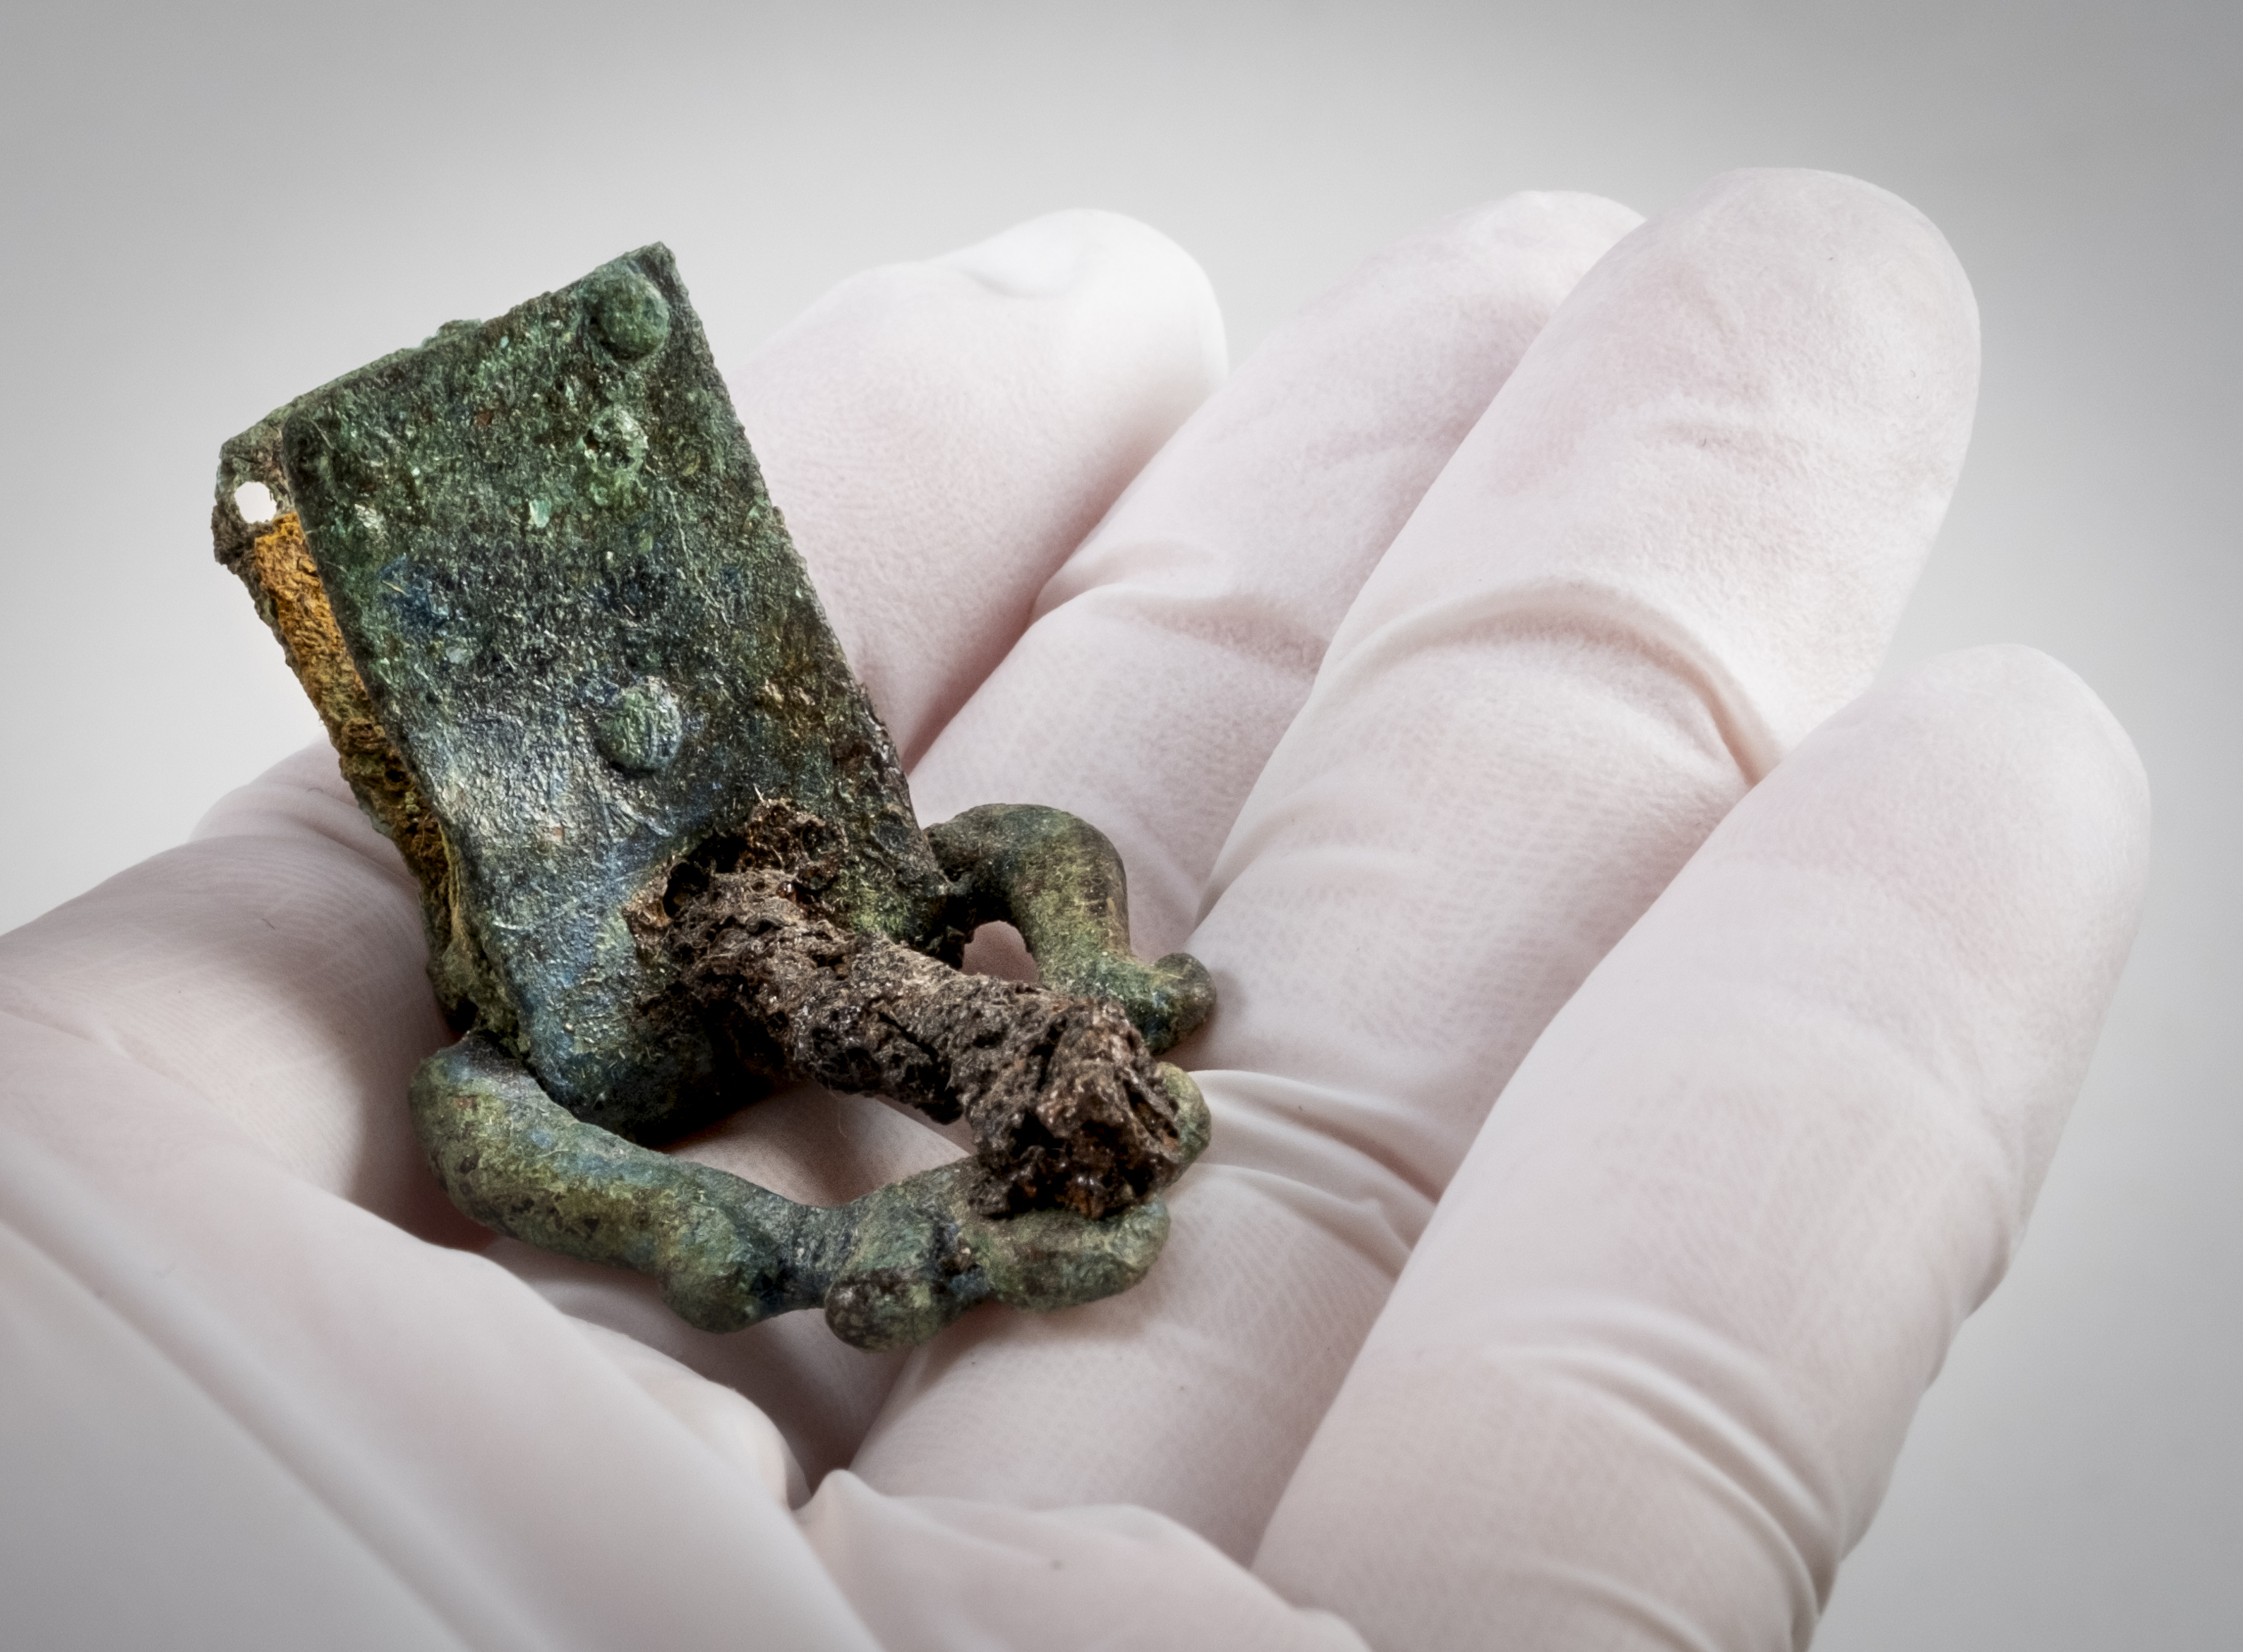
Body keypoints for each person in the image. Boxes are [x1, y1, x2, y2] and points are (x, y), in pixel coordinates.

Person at [0, 169, 2146, 1651]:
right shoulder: (522, 1073)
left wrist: (1085, 970)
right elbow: (514, 1119)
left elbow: (1015, 843)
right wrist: (798, 1242)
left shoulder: (880, 897)